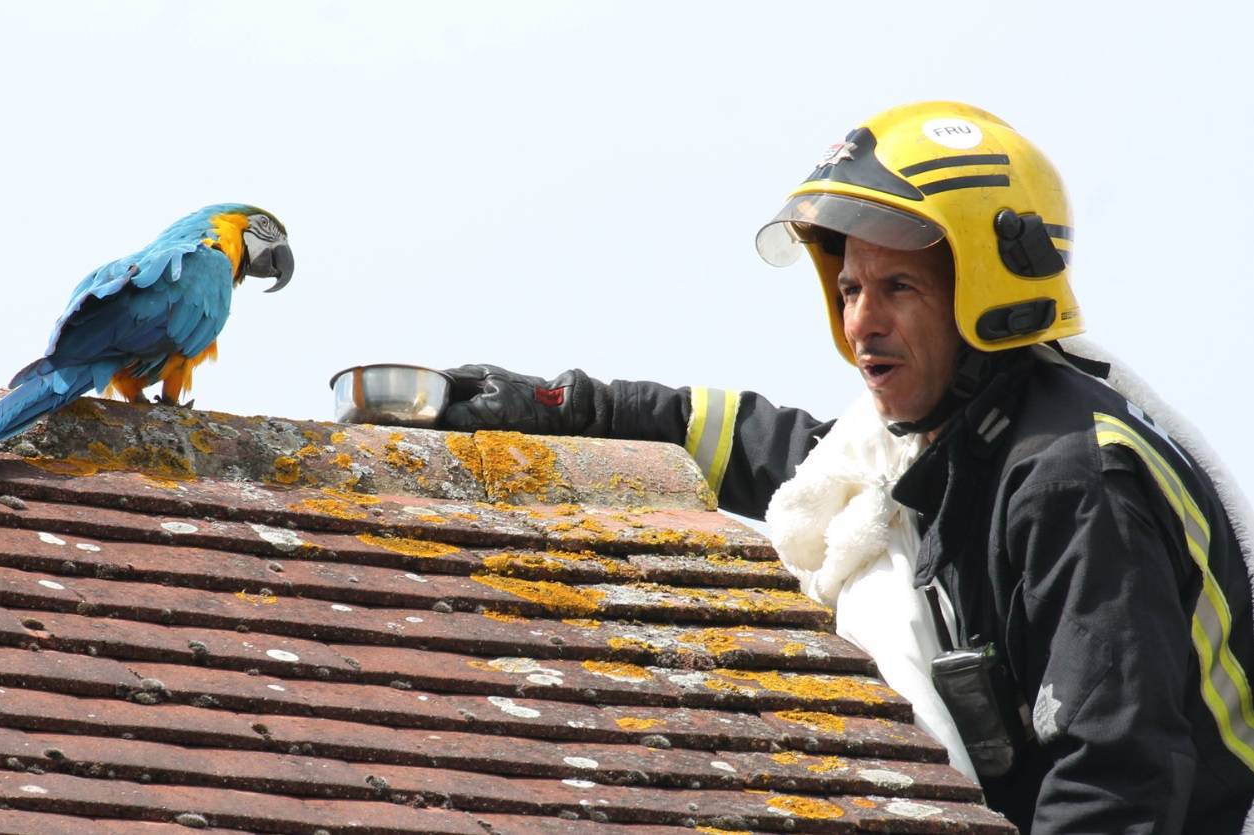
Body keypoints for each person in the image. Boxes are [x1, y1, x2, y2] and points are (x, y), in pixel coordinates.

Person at [438, 101, 1254, 834]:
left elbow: (1116, 774)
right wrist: (563, 407)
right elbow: (776, 453)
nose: (860, 320)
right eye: (850, 285)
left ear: (986, 289)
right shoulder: (941, 446)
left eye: (897, 285)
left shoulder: (1069, 479)